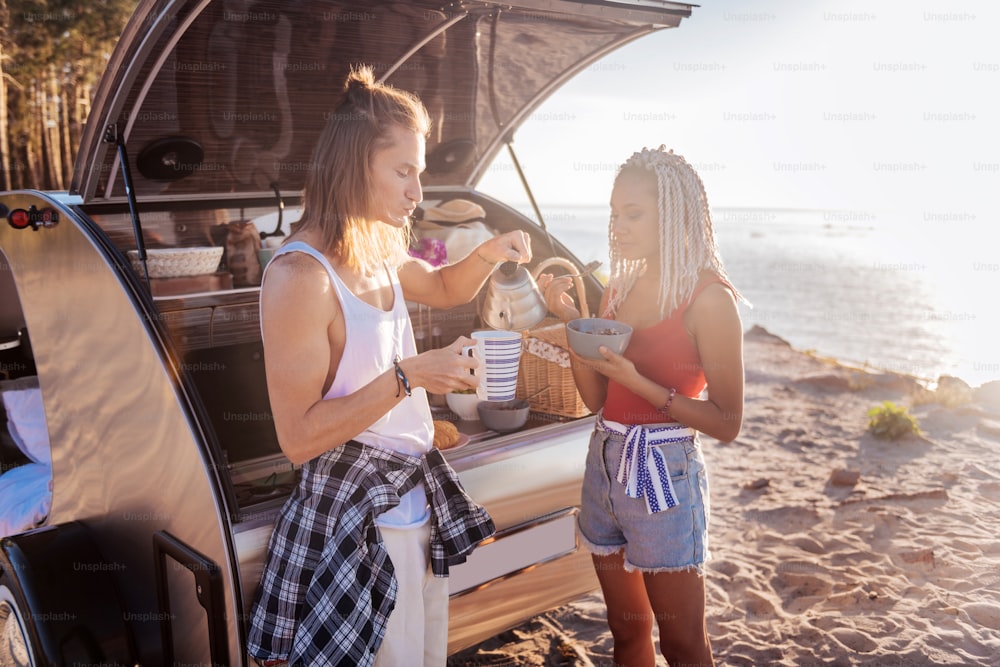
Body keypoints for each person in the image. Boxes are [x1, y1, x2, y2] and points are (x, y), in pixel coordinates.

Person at [246, 65, 530, 666]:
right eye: (403, 172)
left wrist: (487, 251)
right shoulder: (300, 276)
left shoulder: (378, 247)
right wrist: (412, 376)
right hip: (360, 521)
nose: (416, 193)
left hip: (413, 503)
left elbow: (447, 286)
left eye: (419, 175)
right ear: (354, 166)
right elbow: (298, 438)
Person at [538, 146, 745, 667]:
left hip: (663, 473)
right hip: (605, 463)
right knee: (625, 633)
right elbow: (596, 400)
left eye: (634, 214)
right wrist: (569, 322)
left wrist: (644, 384)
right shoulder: (619, 288)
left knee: (682, 645)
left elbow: (727, 422)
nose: (619, 226)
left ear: (674, 215)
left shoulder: (710, 300)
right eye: (614, 214)